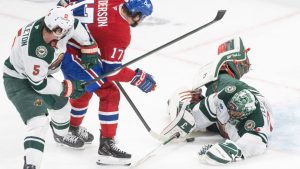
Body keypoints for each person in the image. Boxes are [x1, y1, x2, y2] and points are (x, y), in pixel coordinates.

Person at [57, 0, 156, 165]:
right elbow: (112, 71)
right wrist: (137, 77)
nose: (141, 20)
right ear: (136, 15)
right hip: (70, 52)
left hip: (64, 42)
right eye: (142, 17)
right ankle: (106, 148)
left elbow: (66, 3)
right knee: (109, 91)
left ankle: (70, 127)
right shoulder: (120, 33)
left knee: (88, 86)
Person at [3, 6, 101, 169]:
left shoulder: (58, 25)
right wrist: (67, 87)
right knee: (39, 122)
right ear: (54, 28)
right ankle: (31, 165)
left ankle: (62, 135)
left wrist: (88, 44)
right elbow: (39, 84)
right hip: (18, 81)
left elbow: (74, 24)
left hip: (37, 75)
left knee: (62, 106)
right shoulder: (36, 51)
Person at [161, 37, 274, 165]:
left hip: (240, 109)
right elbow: (219, 100)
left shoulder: (251, 129)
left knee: (190, 99)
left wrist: (226, 150)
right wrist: (190, 119)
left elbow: (251, 144)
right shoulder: (230, 92)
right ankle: (188, 112)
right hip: (242, 97)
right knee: (220, 90)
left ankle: (186, 110)